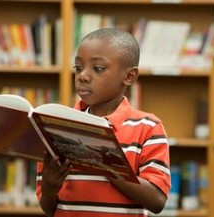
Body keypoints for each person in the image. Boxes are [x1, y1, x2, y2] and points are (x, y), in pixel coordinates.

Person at [36, 28, 171, 217]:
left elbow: (157, 201)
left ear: (129, 76)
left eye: (98, 68)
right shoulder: (58, 126)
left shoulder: (147, 128)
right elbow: (48, 208)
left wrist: (106, 164)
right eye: (78, 67)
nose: (82, 76)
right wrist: (50, 188)